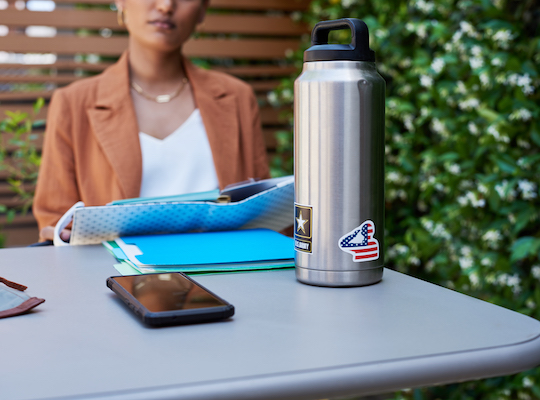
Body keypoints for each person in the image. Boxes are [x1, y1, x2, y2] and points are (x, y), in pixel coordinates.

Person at [34, 0, 270, 242]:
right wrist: (62, 235)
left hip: (227, 272)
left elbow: (264, 212)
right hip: (112, 276)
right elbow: (56, 219)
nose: (166, 6)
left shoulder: (237, 98)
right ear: (121, 3)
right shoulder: (73, 104)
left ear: (202, 9)